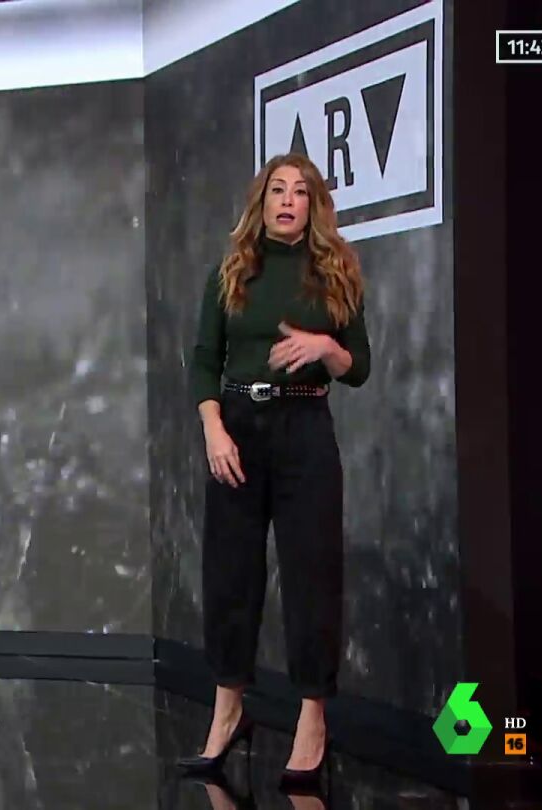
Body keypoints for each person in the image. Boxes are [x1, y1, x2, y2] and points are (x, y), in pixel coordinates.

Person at [176, 153, 370, 790]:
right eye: (277, 190)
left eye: (300, 192)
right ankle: (228, 711)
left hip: (304, 429)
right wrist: (213, 427)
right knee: (230, 574)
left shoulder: (336, 271)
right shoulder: (232, 269)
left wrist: (325, 347)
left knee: (312, 576)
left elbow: (360, 366)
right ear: (261, 203)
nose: (287, 200)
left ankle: (313, 719)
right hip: (236, 428)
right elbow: (205, 358)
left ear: (314, 207)